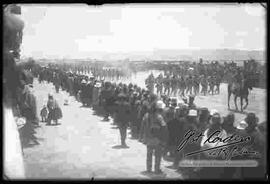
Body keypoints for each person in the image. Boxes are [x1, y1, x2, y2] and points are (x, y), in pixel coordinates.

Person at [141, 100, 168, 175]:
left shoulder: (146, 115)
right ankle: (156, 169)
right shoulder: (159, 117)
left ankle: (148, 169)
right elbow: (164, 127)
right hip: (157, 139)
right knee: (158, 155)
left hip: (148, 138)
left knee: (149, 154)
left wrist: (142, 137)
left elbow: (143, 125)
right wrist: (164, 139)